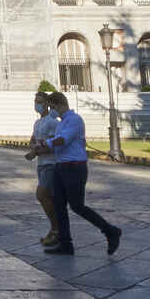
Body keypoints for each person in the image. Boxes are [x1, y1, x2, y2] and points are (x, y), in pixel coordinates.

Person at [43, 92, 122, 256]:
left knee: (77, 206)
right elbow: (57, 144)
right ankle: (66, 244)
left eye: (52, 106)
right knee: (59, 206)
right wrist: (41, 147)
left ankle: (110, 231)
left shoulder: (74, 120)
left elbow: (63, 140)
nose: (51, 110)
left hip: (74, 167)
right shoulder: (61, 123)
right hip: (61, 166)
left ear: (59, 105)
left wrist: (47, 142)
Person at [23, 91, 62, 247]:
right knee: (48, 198)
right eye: (35, 101)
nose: (37, 105)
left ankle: (56, 229)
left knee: (41, 195)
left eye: (39, 102)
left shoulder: (53, 122)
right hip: (41, 164)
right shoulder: (37, 123)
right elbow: (32, 141)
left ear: (47, 103)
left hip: (51, 164)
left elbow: (54, 145)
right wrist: (35, 148)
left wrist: (35, 151)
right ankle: (56, 230)